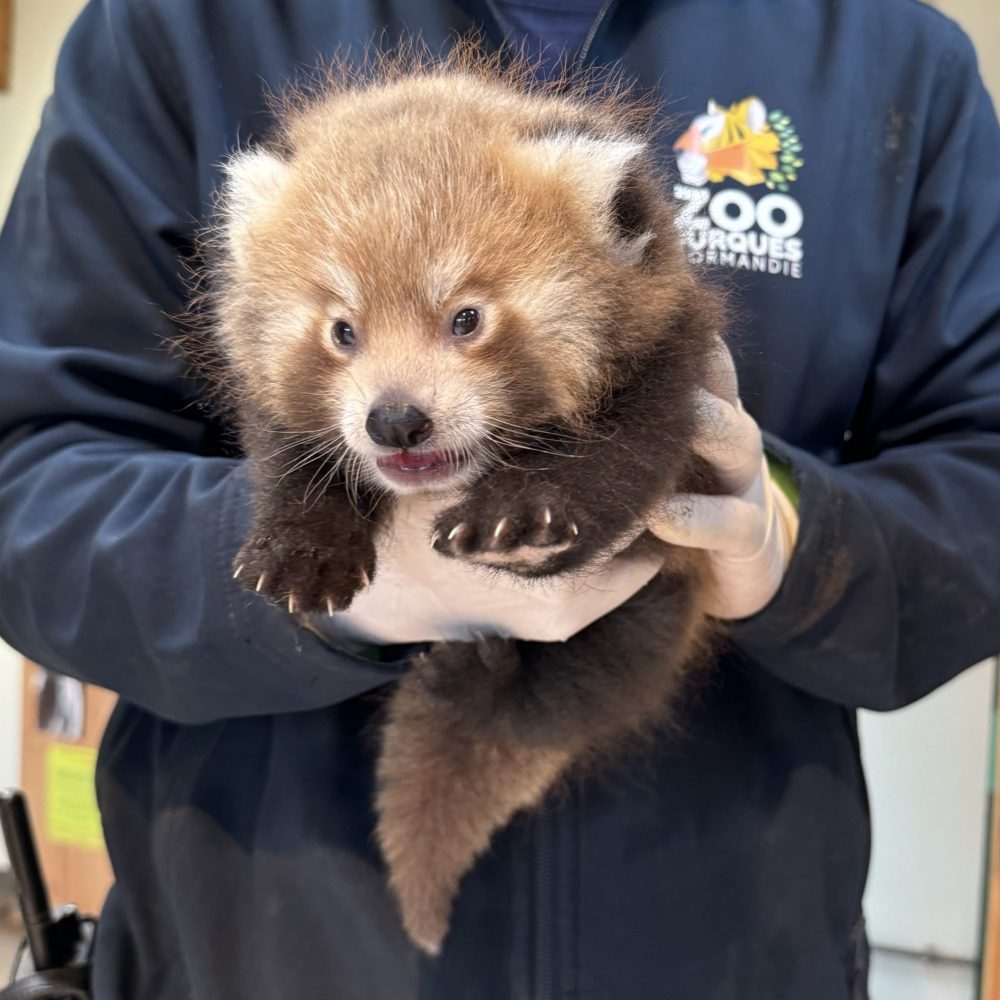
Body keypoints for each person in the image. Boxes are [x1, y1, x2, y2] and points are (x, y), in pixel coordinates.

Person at [0, 0, 997, 997]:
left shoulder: (888, 57)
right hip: (260, 951)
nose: (390, 408)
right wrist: (337, 579)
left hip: (726, 944)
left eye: (464, 320)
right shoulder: (175, 28)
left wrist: (791, 542)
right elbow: (30, 487)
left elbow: (976, 490)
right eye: (346, 336)